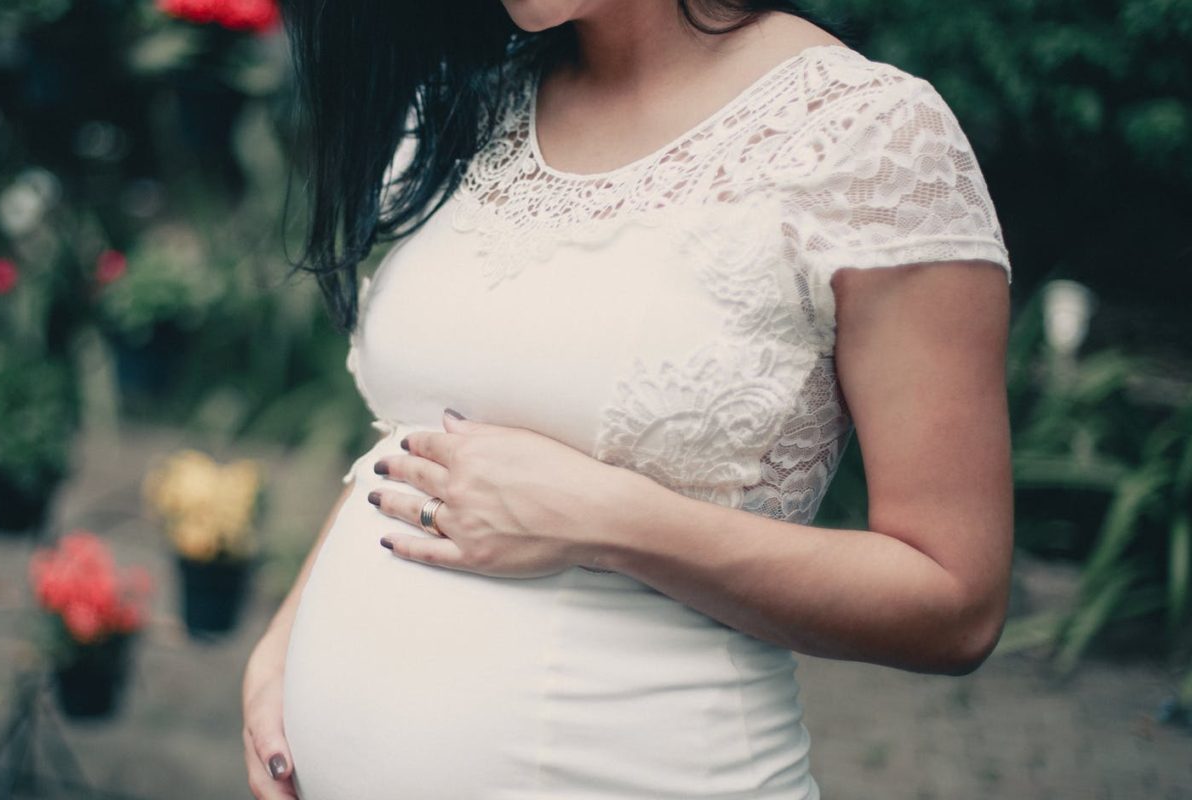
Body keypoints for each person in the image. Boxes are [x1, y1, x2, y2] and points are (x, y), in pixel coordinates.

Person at [243, 0, 1014, 797]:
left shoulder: (872, 137)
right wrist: (285, 638)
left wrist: (609, 521)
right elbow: (415, 438)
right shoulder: (468, 102)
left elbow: (955, 604)